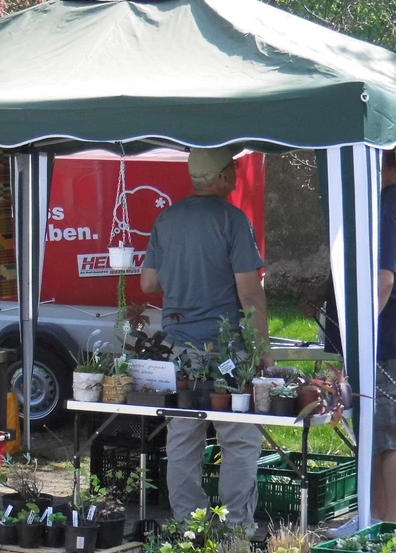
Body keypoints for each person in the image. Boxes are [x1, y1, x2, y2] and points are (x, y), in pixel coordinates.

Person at [140, 147, 269, 526]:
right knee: (240, 439)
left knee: (182, 439)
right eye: (234, 169)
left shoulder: (167, 219)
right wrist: (264, 352)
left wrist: (184, 275)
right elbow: (249, 294)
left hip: (178, 348)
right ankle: (235, 530)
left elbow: (148, 281)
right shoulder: (233, 220)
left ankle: (187, 525)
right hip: (225, 351)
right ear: (224, 176)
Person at [307, 149, 396, 534]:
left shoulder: (388, 208)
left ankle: (388, 525)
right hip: (385, 335)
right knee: (370, 431)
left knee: (389, 434)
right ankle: (370, 518)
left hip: (390, 338)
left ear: (380, 167)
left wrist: (361, 331)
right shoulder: (382, 203)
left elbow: (384, 280)